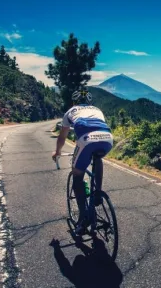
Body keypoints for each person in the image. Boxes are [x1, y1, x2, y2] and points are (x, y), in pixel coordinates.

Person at [52, 87, 114, 235]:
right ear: (89, 102)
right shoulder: (98, 110)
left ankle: (83, 218)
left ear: (74, 102)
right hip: (107, 138)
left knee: (77, 176)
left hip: (86, 140)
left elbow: (62, 137)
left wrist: (57, 152)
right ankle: (97, 193)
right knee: (97, 157)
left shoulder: (70, 112)